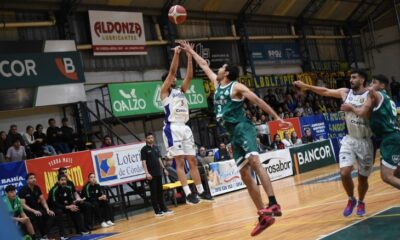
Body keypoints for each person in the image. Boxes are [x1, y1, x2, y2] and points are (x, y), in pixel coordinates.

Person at [181, 40, 291, 236]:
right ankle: (263, 216)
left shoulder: (236, 86)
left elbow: (256, 100)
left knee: (256, 161)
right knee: (245, 176)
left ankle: (273, 203)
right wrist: (190, 51)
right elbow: (204, 65)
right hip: (232, 134)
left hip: (243, 128)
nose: (219, 69)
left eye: (222, 67)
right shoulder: (217, 83)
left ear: (228, 73)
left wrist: (277, 118)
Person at [295, 69, 373, 217]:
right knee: (344, 172)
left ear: (362, 80)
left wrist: (351, 108)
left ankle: (361, 201)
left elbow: (367, 113)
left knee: (362, 178)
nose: (351, 80)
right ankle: (351, 199)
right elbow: (325, 91)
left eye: (354, 77)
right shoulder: (345, 92)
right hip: (350, 138)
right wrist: (306, 85)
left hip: (365, 140)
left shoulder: (370, 95)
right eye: (350, 77)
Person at [160, 41, 212, 204]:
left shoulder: (180, 91)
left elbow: (189, 76)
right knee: (180, 161)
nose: (175, 78)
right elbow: (172, 70)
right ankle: (188, 193)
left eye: (175, 78)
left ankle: (202, 192)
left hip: (184, 127)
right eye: (173, 78)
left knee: (193, 161)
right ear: (168, 81)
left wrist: (189, 56)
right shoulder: (164, 92)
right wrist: (176, 54)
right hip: (172, 128)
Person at [341, 74, 400, 190]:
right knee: (397, 173)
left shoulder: (377, 95)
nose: (371, 85)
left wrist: (351, 107)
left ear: (382, 85)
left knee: (386, 176)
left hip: (390, 139)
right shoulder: (388, 99)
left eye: (374, 82)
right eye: (371, 82)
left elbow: (362, 112)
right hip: (395, 136)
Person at [141, 133, 173, 216]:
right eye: (148, 138)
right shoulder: (144, 149)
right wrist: (147, 173)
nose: (151, 139)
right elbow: (143, 162)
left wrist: (164, 169)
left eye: (152, 137)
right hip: (151, 175)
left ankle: (164, 209)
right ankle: (157, 211)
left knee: (160, 192)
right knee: (154, 193)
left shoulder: (156, 148)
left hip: (158, 173)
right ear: (146, 139)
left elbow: (159, 159)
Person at [19, 173, 55, 239]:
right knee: (38, 216)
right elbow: (23, 205)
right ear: (27, 181)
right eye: (31, 178)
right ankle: (44, 236)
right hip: (28, 211)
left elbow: (42, 200)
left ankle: (46, 233)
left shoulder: (37, 188)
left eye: (34, 178)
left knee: (52, 215)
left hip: (38, 208)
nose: (33, 179)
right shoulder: (23, 190)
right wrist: (34, 211)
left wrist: (47, 209)